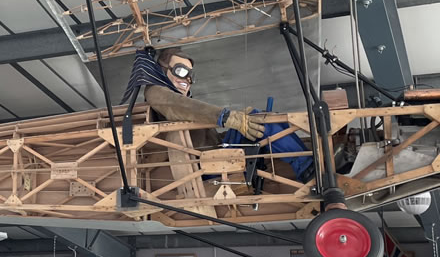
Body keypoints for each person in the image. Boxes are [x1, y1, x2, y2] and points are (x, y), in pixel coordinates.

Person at [122, 46, 314, 183]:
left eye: (190, 75)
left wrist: (239, 123)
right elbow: (179, 105)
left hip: (211, 155)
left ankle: (312, 158)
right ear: (162, 71)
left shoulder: (188, 108)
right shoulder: (156, 91)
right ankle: (308, 169)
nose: (187, 79)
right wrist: (227, 117)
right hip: (200, 165)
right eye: (181, 71)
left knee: (259, 119)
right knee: (261, 122)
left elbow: (209, 137)